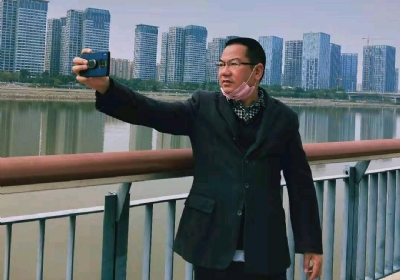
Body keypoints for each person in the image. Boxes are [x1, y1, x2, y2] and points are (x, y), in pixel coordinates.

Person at [72, 37, 323, 280]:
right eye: (221, 64)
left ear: (257, 71)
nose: (224, 72)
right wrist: (107, 88)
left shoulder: (283, 118)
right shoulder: (203, 106)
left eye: (234, 64)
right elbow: (152, 112)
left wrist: (311, 244)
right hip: (211, 245)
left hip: (265, 250)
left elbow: (300, 184)